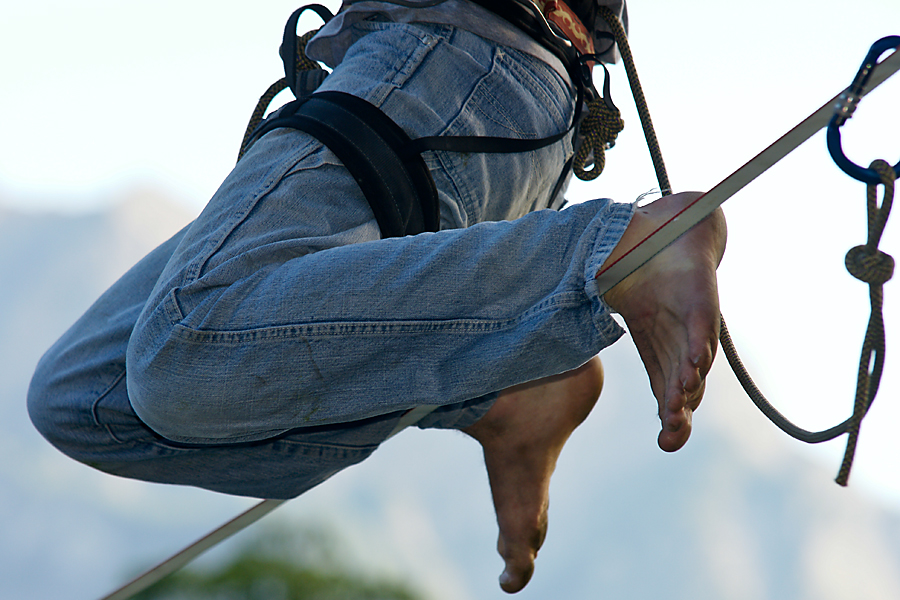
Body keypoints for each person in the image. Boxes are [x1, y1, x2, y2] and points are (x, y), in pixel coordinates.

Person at [27, 0, 726, 594]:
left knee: (184, 351)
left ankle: (616, 252)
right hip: (496, 99)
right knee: (82, 401)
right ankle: (504, 394)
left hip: (450, 65)